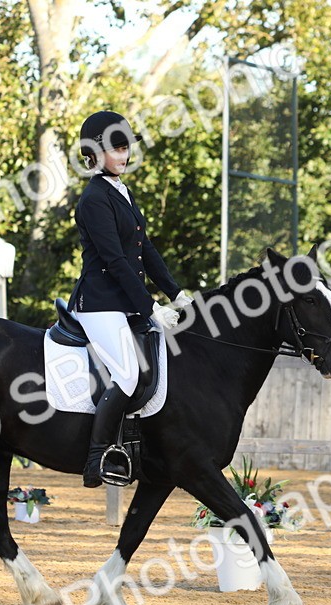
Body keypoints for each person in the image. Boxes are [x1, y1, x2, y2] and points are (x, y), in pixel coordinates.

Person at [69, 110, 193, 487]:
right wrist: (151, 307)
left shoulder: (121, 192)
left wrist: (176, 292)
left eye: (125, 148)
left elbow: (145, 250)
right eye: (116, 149)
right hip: (100, 303)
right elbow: (116, 261)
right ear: (95, 152)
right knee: (127, 372)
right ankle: (96, 458)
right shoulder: (93, 199)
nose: (124, 155)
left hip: (123, 302)